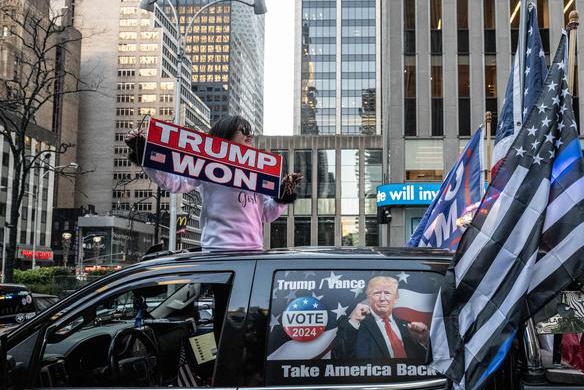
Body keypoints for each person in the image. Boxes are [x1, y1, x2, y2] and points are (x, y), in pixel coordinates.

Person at [125, 115, 301, 250]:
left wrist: (283, 195)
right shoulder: (206, 165)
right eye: (243, 130)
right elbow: (174, 183)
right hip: (218, 251)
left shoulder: (259, 172)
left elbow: (266, 215)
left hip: (253, 252)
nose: (250, 135)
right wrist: (144, 152)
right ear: (225, 136)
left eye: (251, 133)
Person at [332, 276, 429, 362]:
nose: (382, 298)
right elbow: (337, 358)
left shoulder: (410, 328)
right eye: (377, 293)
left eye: (387, 293)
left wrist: (423, 341)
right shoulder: (354, 325)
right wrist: (354, 321)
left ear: (395, 298)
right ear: (369, 298)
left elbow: (424, 364)